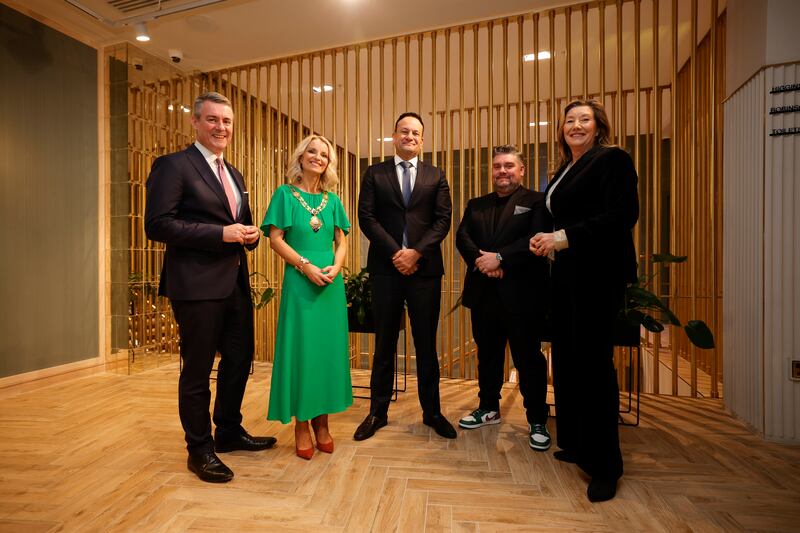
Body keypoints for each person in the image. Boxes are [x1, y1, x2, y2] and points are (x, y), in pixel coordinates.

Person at [145, 91, 276, 484]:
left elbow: (240, 223)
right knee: (198, 370)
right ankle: (199, 448)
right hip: (195, 285)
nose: (222, 128)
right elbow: (158, 225)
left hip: (234, 283)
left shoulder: (233, 173)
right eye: (214, 120)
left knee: (239, 358)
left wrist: (249, 235)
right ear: (196, 122)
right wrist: (221, 233)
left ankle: (229, 431)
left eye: (227, 122)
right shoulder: (173, 165)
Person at [530, 99, 639, 502]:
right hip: (567, 277)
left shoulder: (612, 159)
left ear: (598, 127)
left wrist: (561, 238)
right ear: (561, 129)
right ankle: (576, 444)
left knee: (594, 367)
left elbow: (624, 214)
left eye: (584, 120)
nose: (575, 126)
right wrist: (548, 241)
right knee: (569, 362)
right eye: (569, 120)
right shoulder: (565, 170)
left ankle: (607, 466)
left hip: (598, 277)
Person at [354, 112, 456, 441]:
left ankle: (433, 412)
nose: (410, 136)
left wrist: (415, 253)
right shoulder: (375, 173)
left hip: (425, 272)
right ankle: (377, 412)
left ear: (422, 140)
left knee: (426, 345)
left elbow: (443, 220)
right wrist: (396, 254)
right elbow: (366, 217)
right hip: (386, 270)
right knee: (384, 343)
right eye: (404, 131)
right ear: (394, 136)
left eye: (416, 133)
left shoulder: (435, 175)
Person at [261, 135, 352, 460]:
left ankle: (323, 424)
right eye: (311, 151)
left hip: (330, 285)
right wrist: (305, 265)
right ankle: (301, 425)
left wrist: (336, 268)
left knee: (326, 354)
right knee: (303, 354)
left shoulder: (333, 200)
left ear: (329, 163)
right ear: (300, 157)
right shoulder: (285, 194)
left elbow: (341, 241)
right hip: (301, 283)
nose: (317, 157)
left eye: (323, 154)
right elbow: (275, 239)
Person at [455, 145, 552, 450]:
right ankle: (488, 408)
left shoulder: (537, 202)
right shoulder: (476, 204)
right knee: (488, 356)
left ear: (521, 170)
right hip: (484, 294)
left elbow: (534, 240)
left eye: (509, 166)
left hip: (523, 295)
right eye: (497, 166)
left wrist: (500, 259)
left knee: (529, 360)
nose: (502, 171)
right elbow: (463, 238)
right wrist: (484, 263)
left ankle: (537, 419)